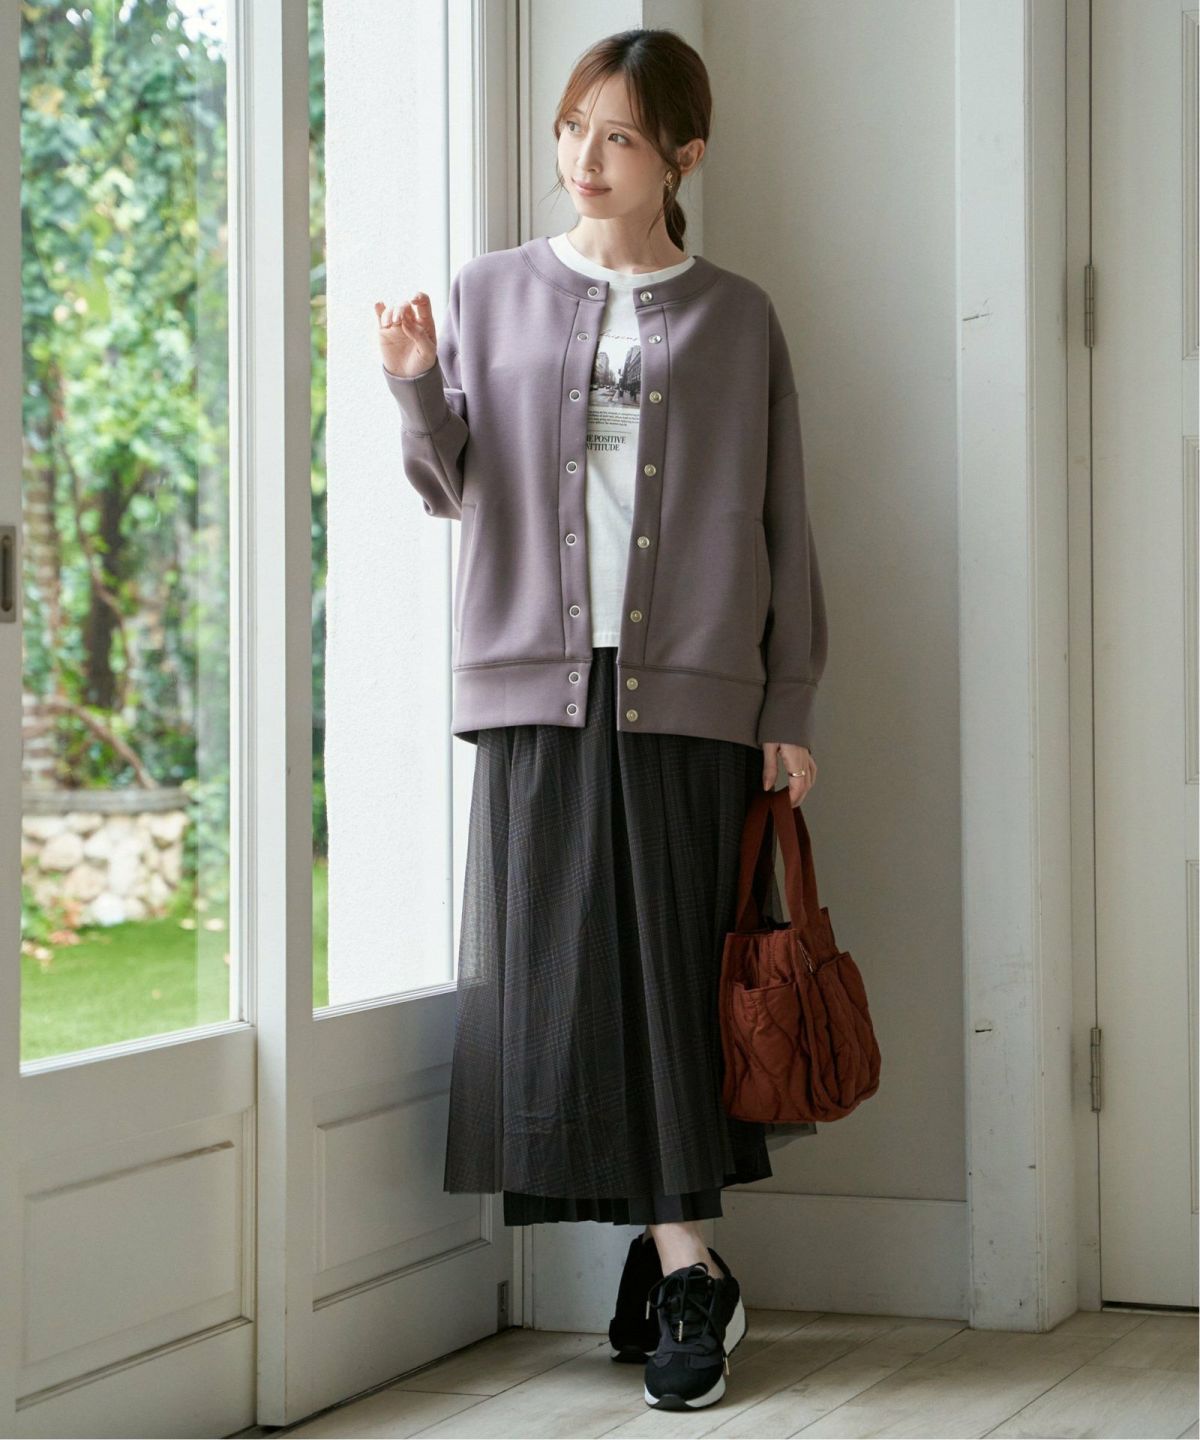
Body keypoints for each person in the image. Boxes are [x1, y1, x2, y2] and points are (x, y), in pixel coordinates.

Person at [373, 28, 826, 1412]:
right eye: (575, 126)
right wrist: (415, 384)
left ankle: (679, 1267)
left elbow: (784, 519)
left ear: (682, 156)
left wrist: (790, 697)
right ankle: (682, 1261)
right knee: (569, 983)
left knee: (678, 978)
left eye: (619, 136)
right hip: (540, 681)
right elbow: (451, 487)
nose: (584, 156)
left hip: (694, 688)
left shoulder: (737, 316)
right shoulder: (492, 291)